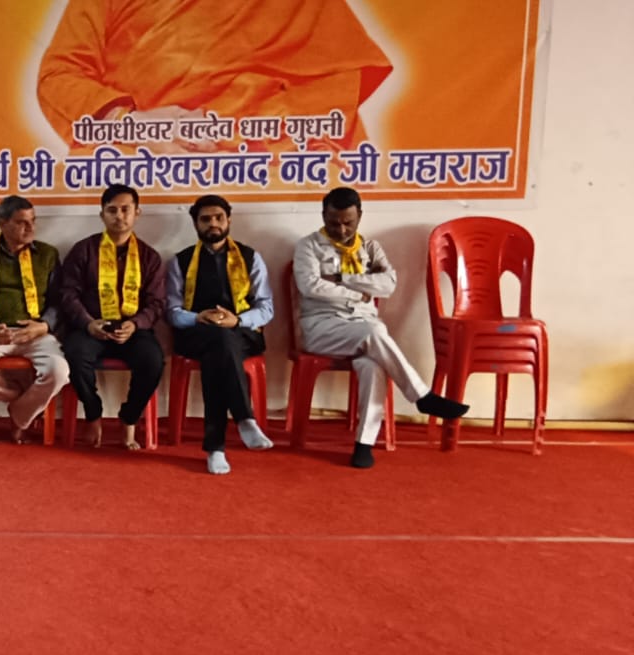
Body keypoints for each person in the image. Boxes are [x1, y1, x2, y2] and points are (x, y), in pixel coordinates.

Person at [36, 0, 391, 151]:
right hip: (140, 154)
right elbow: (59, 77)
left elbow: (333, 90)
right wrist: (130, 124)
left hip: (264, 157)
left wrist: (232, 129)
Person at [294, 187, 469, 468]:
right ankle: (422, 396)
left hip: (364, 323)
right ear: (323, 216)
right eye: (334, 222)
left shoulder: (371, 248)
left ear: (359, 217)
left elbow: (388, 285)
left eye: (348, 222)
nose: (341, 229)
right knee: (375, 333)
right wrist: (359, 292)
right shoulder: (308, 246)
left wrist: (341, 278)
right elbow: (311, 286)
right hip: (324, 327)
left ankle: (364, 444)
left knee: (372, 365)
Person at [165, 195, 275, 474]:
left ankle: (216, 448)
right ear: (195, 224)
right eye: (205, 219)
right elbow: (172, 311)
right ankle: (244, 418)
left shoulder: (250, 258)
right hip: (196, 333)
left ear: (229, 220)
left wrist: (237, 320)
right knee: (218, 341)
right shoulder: (181, 261)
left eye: (218, 218)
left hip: (242, 333)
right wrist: (198, 317)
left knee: (221, 346)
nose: (213, 224)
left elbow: (266, 308)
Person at [57, 184, 166, 451]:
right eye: (112, 210)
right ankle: (93, 414)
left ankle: (129, 418)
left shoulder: (149, 257)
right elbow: (67, 294)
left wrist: (135, 324)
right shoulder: (84, 250)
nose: (119, 216)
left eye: (125, 209)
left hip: (132, 328)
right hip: (91, 326)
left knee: (153, 361)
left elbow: (157, 303)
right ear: (102, 215)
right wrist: (87, 323)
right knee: (74, 355)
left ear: (137, 213)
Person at [0, 195, 69, 444]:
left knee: (59, 371)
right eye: (21, 222)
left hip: (35, 330)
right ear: (2, 223)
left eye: (33, 221)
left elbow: (59, 301)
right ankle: (19, 398)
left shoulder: (47, 254)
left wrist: (43, 326)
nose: (30, 228)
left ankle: (19, 415)